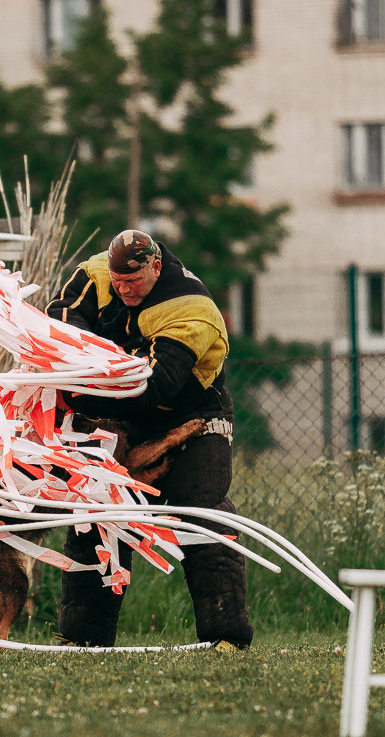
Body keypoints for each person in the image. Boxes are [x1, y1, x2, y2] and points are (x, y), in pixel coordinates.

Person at [45, 229, 254, 650]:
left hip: (193, 414)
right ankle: (83, 639)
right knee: (98, 509)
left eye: (133, 283)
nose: (123, 291)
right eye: (118, 284)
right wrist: (82, 356)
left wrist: (78, 387)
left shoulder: (191, 309)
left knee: (199, 511)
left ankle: (226, 636)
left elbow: (155, 385)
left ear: (155, 267)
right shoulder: (97, 273)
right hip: (119, 411)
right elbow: (60, 319)